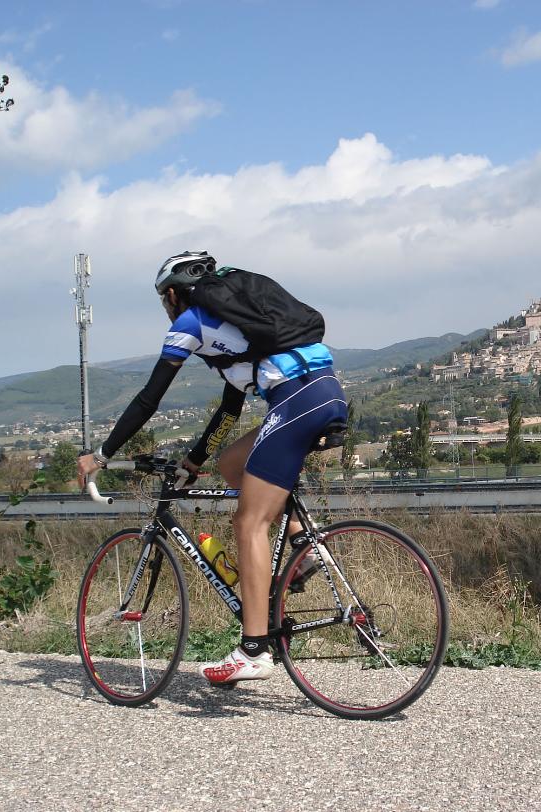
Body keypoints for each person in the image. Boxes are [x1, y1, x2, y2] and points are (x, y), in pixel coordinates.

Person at [76, 251, 347, 685]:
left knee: (249, 524)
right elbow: (230, 407)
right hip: (321, 392)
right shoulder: (239, 335)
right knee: (232, 462)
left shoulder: (190, 324)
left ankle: (254, 649)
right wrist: (195, 461)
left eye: (163, 301)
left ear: (171, 294)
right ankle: (301, 544)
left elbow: (150, 398)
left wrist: (103, 453)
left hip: (297, 401)